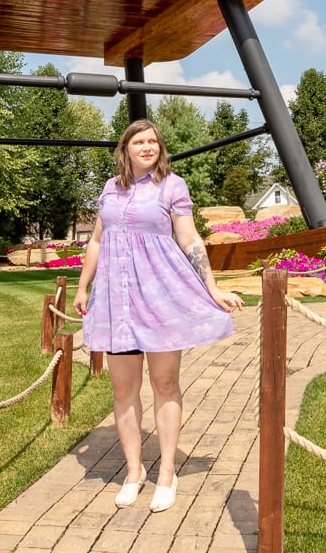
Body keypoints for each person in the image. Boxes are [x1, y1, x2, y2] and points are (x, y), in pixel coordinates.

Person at [73, 119, 244, 512]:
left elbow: (189, 239)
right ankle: (134, 472)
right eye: (139, 141)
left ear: (159, 148)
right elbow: (97, 240)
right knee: (123, 390)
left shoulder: (172, 186)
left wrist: (212, 287)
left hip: (161, 296)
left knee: (165, 383)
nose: (147, 147)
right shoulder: (110, 188)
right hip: (116, 300)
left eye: (153, 141)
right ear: (126, 148)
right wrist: (84, 287)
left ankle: (167, 473)